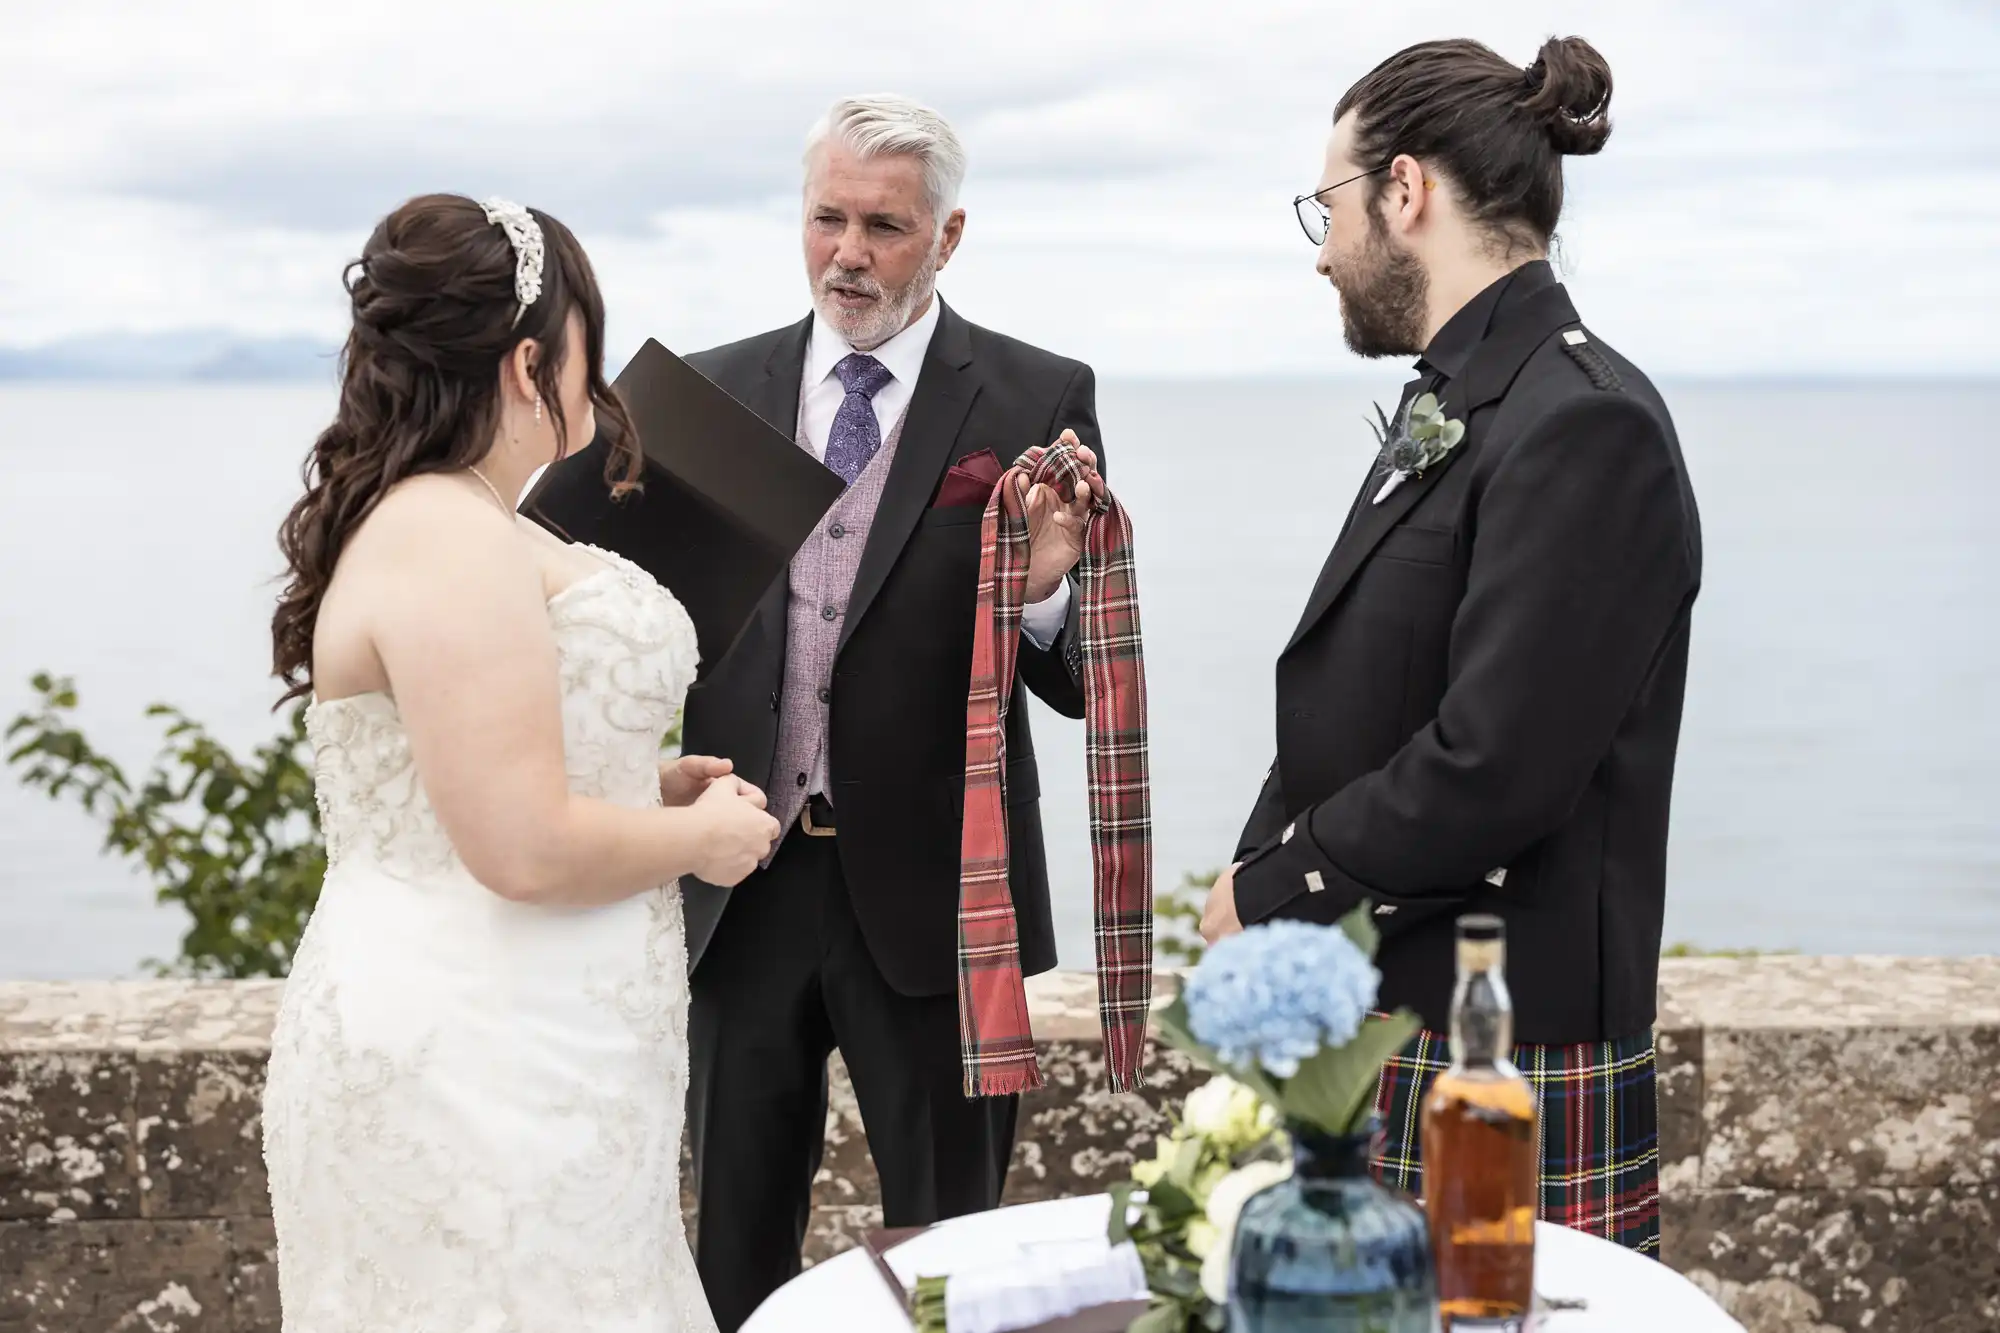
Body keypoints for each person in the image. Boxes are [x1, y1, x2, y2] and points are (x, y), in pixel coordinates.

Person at [1203, 36, 1702, 1257]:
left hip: (1500, 1051)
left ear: (1405, 191)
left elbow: (1495, 765)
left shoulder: (1583, 423)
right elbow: (1359, 695)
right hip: (1392, 1018)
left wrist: (1272, 890)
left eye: (1327, 206)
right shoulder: (1475, 398)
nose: (1322, 250)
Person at [259, 192, 778, 1331]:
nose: (600, 377)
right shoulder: (447, 531)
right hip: (476, 1056)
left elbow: (481, 777)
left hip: (545, 1040)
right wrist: (702, 841)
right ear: (530, 357)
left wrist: (642, 789)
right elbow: (519, 845)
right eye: (590, 337)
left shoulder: (481, 521)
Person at [675, 94, 1104, 1331]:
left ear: (947, 235)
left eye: (882, 225)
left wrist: (1040, 595)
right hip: (739, 885)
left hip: (943, 897)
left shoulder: (1036, 393)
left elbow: (1071, 680)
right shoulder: (712, 393)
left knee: (956, 1256)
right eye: (825, 219)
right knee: (731, 1250)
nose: (847, 253)